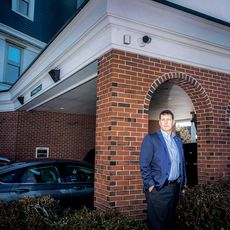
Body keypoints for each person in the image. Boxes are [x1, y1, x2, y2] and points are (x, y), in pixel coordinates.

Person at [140, 110, 186, 230]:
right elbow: (144, 164)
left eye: (169, 119)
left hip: (175, 188)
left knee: (170, 223)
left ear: (173, 122)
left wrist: (182, 184)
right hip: (158, 189)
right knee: (158, 225)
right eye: (163, 119)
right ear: (159, 122)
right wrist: (150, 184)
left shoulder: (177, 140)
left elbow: (181, 164)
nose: (166, 122)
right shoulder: (151, 139)